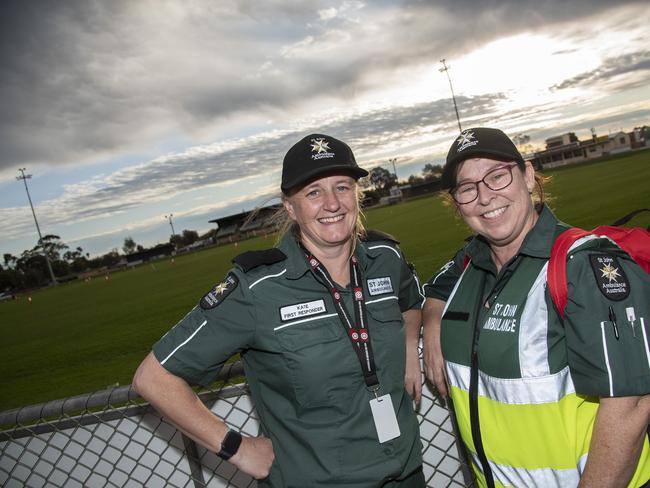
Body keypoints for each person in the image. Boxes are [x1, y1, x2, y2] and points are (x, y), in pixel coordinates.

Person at [133, 133, 426, 487]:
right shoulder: (257, 288)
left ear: (357, 194)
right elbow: (153, 378)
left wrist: (410, 346)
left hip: (407, 474)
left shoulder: (385, 258)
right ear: (290, 206)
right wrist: (235, 447)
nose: (332, 203)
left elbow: (411, 303)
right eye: (313, 192)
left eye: (343, 187)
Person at [421, 127, 650, 487]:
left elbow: (631, 405)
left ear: (527, 176)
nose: (485, 197)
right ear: (457, 203)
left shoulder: (583, 266)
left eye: (497, 176)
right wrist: (433, 316)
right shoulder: (470, 264)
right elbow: (435, 286)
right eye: (467, 188)